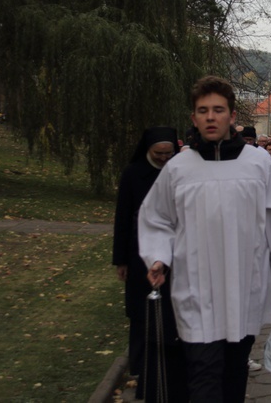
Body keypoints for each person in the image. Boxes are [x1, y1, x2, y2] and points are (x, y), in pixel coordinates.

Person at [139, 76, 271, 402]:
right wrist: (158, 256)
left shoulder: (258, 164)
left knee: (234, 376)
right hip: (195, 290)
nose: (210, 117)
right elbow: (155, 218)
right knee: (203, 377)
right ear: (193, 118)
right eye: (202, 111)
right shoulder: (178, 168)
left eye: (218, 110)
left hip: (244, 287)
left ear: (232, 116)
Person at [113, 127, 186, 401]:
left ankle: (164, 376)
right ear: (148, 151)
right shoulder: (133, 174)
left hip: (171, 255)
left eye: (169, 154)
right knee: (141, 315)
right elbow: (121, 218)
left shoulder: (178, 172)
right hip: (136, 252)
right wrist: (120, 259)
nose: (165, 159)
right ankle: (140, 373)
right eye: (159, 154)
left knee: (165, 316)